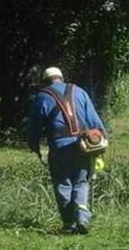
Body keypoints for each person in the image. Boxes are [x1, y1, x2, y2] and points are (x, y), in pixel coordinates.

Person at [28, 67, 107, 234]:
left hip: (58, 146)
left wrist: (33, 144)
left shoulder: (42, 97)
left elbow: (34, 126)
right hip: (82, 145)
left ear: (45, 81)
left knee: (63, 183)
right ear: (61, 78)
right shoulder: (79, 91)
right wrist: (101, 138)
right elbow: (94, 120)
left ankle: (69, 223)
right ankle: (83, 217)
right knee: (81, 181)